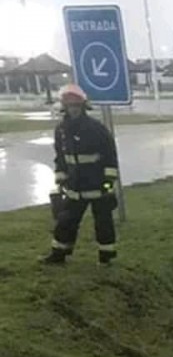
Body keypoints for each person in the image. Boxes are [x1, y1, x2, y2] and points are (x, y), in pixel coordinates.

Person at [45, 83, 120, 266]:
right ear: (65, 108)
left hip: (97, 184)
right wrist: (61, 178)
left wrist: (108, 182)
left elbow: (110, 156)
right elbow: (61, 157)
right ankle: (59, 254)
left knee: (103, 222)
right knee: (66, 221)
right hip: (74, 186)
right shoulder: (61, 130)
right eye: (70, 106)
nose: (73, 110)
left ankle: (106, 256)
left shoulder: (96, 128)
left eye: (76, 106)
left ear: (83, 107)